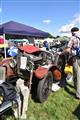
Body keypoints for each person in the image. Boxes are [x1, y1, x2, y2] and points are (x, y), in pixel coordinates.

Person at [58, 27, 80, 99]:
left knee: (76, 75)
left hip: (76, 58)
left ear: (72, 32)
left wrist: (61, 53)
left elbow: (67, 50)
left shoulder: (73, 38)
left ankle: (78, 94)